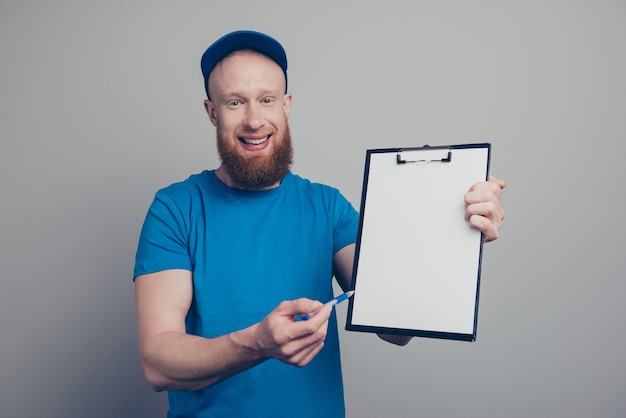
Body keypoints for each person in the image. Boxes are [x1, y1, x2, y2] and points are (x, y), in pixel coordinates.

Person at [133, 30, 506, 418]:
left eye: (266, 99)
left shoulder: (328, 208)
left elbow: (396, 328)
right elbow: (158, 362)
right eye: (235, 102)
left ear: (286, 105)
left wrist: (456, 230)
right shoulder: (175, 209)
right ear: (212, 112)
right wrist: (257, 343)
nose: (255, 120)